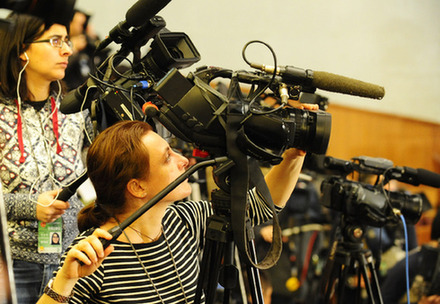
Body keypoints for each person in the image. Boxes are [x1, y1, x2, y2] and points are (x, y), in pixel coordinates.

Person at [36, 106, 317, 303]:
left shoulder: (184, 219)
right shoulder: (97, 253)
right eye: (168, 157)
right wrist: (65, 280)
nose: (184, 161)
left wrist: (294, 154)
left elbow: (259, 208)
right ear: (137, 187)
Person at [0, 12, 93, 304]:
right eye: (55, 41)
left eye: (66, 41)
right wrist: (30, 207)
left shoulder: (76, 113)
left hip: (72, 261)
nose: (67, 50)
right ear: (21, 49)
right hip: (13, 265)